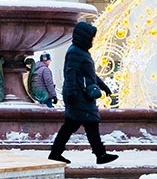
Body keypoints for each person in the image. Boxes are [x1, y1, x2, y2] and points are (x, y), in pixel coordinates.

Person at [47, 21, 118, 165]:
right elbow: (70, 73)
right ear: (84, 37)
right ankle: (100, 154)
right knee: (88, 123)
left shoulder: (81, 52)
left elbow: (90, 75)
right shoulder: (75, 52)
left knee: (73, 125)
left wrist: (103, 86)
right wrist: (72, 94)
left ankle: (57, 152)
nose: (93, 40)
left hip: (82, 96)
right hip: (79, 96)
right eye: (91, 37)